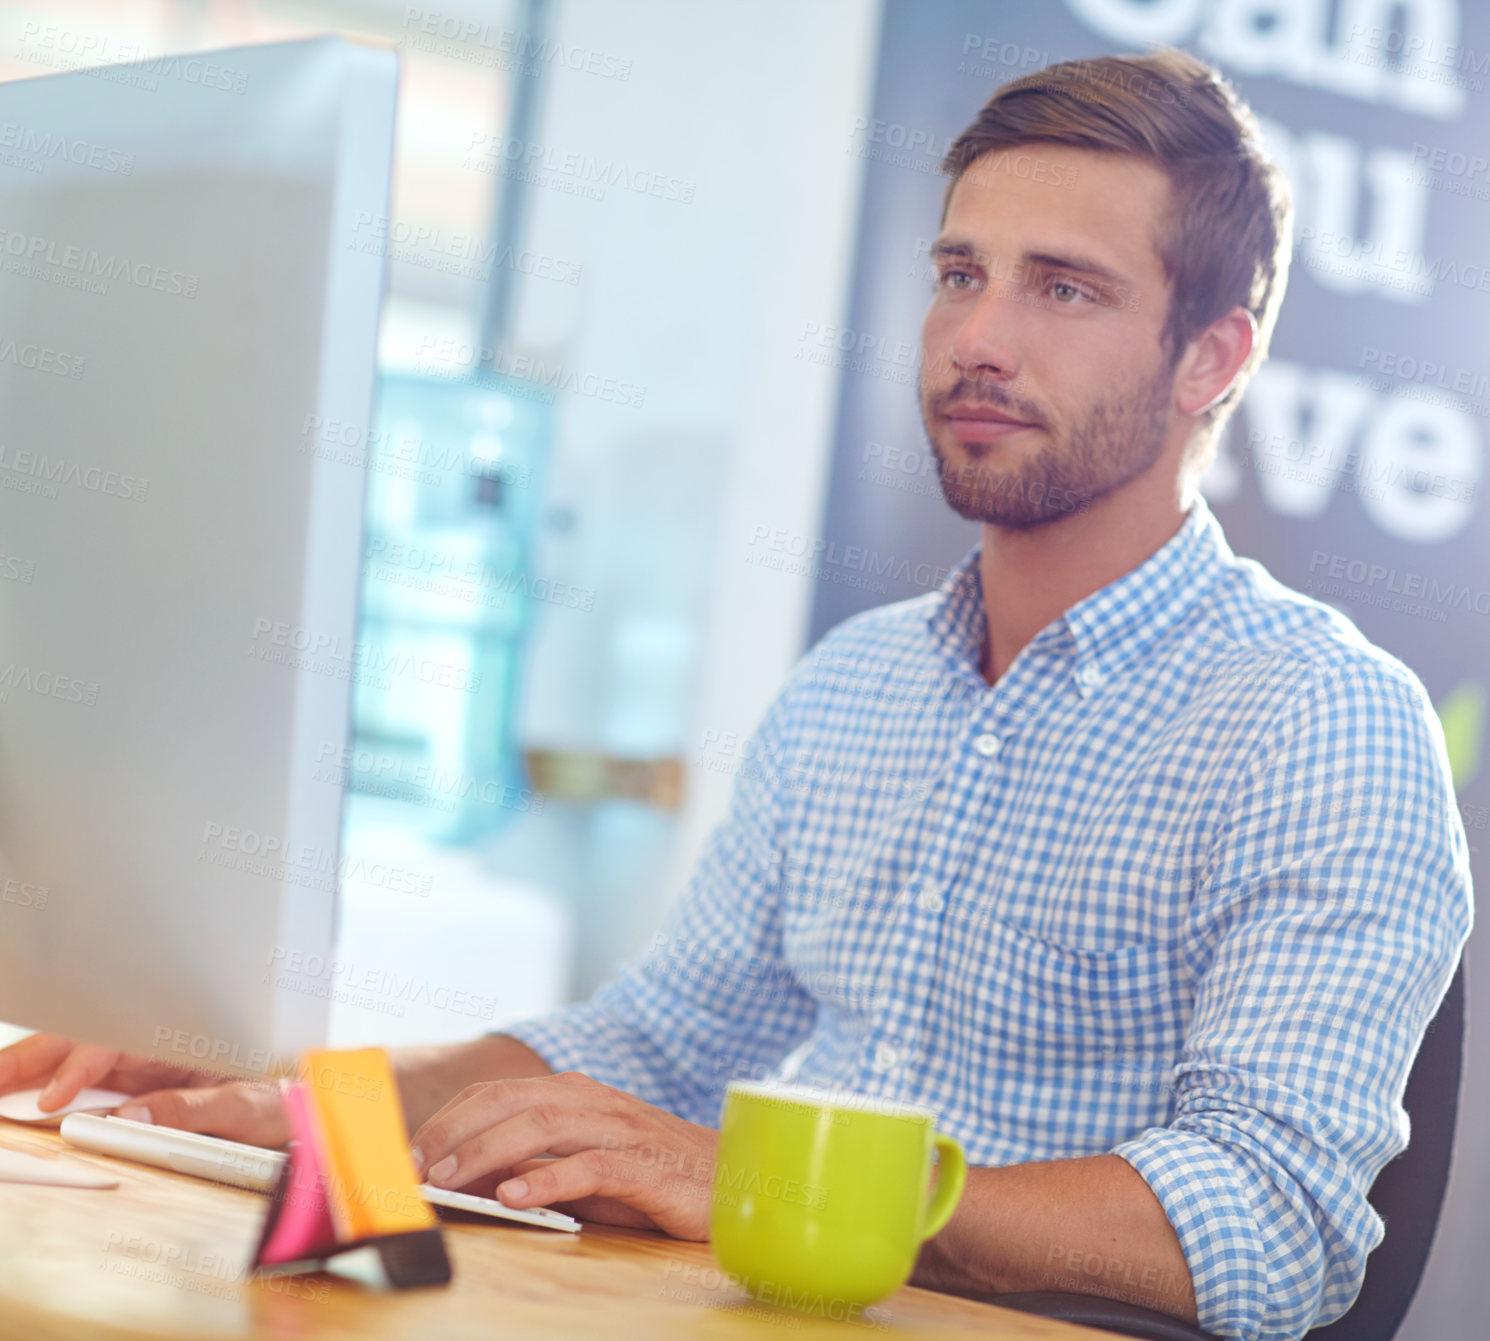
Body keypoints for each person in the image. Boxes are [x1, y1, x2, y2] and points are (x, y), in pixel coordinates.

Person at [0, 50, 1470, 1341]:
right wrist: (292, 1100)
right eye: (960, 272)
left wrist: (772, 1181)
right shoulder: (857, 684)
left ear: (1212, 355)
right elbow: (645, 1045)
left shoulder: (1320, 719)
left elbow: (1270, 1225)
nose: (979, 336)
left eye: (1063, 287)